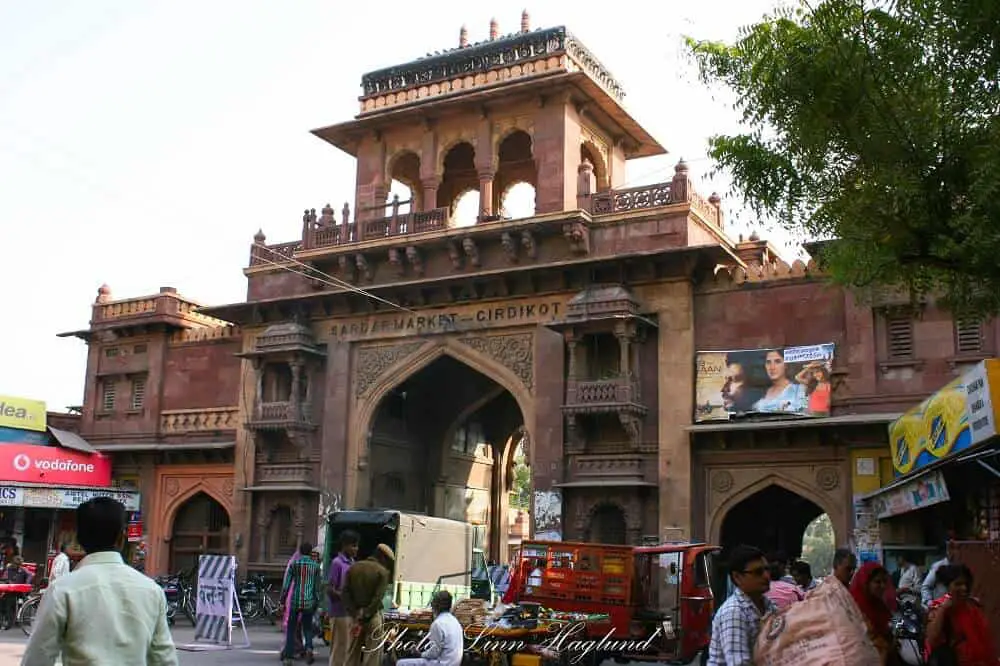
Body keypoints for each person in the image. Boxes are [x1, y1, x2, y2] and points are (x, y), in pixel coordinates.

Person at [21, 497, 178, 666]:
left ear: (79, 539)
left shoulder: (63, 590)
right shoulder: (152, 591)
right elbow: (164, 659)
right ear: (121, 538)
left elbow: (38, 657)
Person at [707, 545, 777, 666]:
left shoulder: (769, 606)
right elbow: (738, 663)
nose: (766, 576)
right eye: (758, 572)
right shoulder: (734, 612)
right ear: (737, 577)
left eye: (767, 569)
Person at [924, 563, 997, 666]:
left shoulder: (973, 607)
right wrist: (943, 609)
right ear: (947, 586)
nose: (964, 588)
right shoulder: (939, 607)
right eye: (958, 584)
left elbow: (985, 640)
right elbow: (932, 639)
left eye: (966, 584)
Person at [342, 543, 394, 666]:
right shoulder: (383, 572)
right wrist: (365, 614)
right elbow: (377, 599)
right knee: (372, 654)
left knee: (352, 652)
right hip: (373, 617)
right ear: (382, 557)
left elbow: (345, 593)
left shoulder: (354, 567)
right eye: (387, 560)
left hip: (354, 618)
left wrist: (355, 613)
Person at [280, 542, 323, 666]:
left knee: (291, 629)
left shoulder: (294, 564)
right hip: (309, 602)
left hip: (295, 602)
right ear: (310, 552)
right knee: (307, 628)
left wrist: (282, 601)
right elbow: (317, 588)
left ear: (300, 551)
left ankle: (288, 658)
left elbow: (286, 585)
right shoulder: (315, 566)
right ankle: (309, 648)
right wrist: (317, 602)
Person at [849, 562, 899, 665]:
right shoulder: (855, 606)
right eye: (877, 582)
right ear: (865, 583)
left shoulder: (880, 605)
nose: (883, 586)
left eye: (885, 581)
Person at [396, 590, 463, 666]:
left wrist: (420, 654)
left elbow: (434, 653)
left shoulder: (438, 623)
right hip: (454, 663)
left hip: (442, 663)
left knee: (400, 663)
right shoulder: (455, 621)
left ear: (434, 606)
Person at [328, 530, 360, 666]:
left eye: (357, 545)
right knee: (339, 651)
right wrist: (345, 596)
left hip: (351, 614)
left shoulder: (353, 563)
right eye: (353, 545)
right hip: (340, 614)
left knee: (349, 651)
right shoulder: (337, 563)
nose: (356, 549)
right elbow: (330, 589)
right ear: (345, 545)